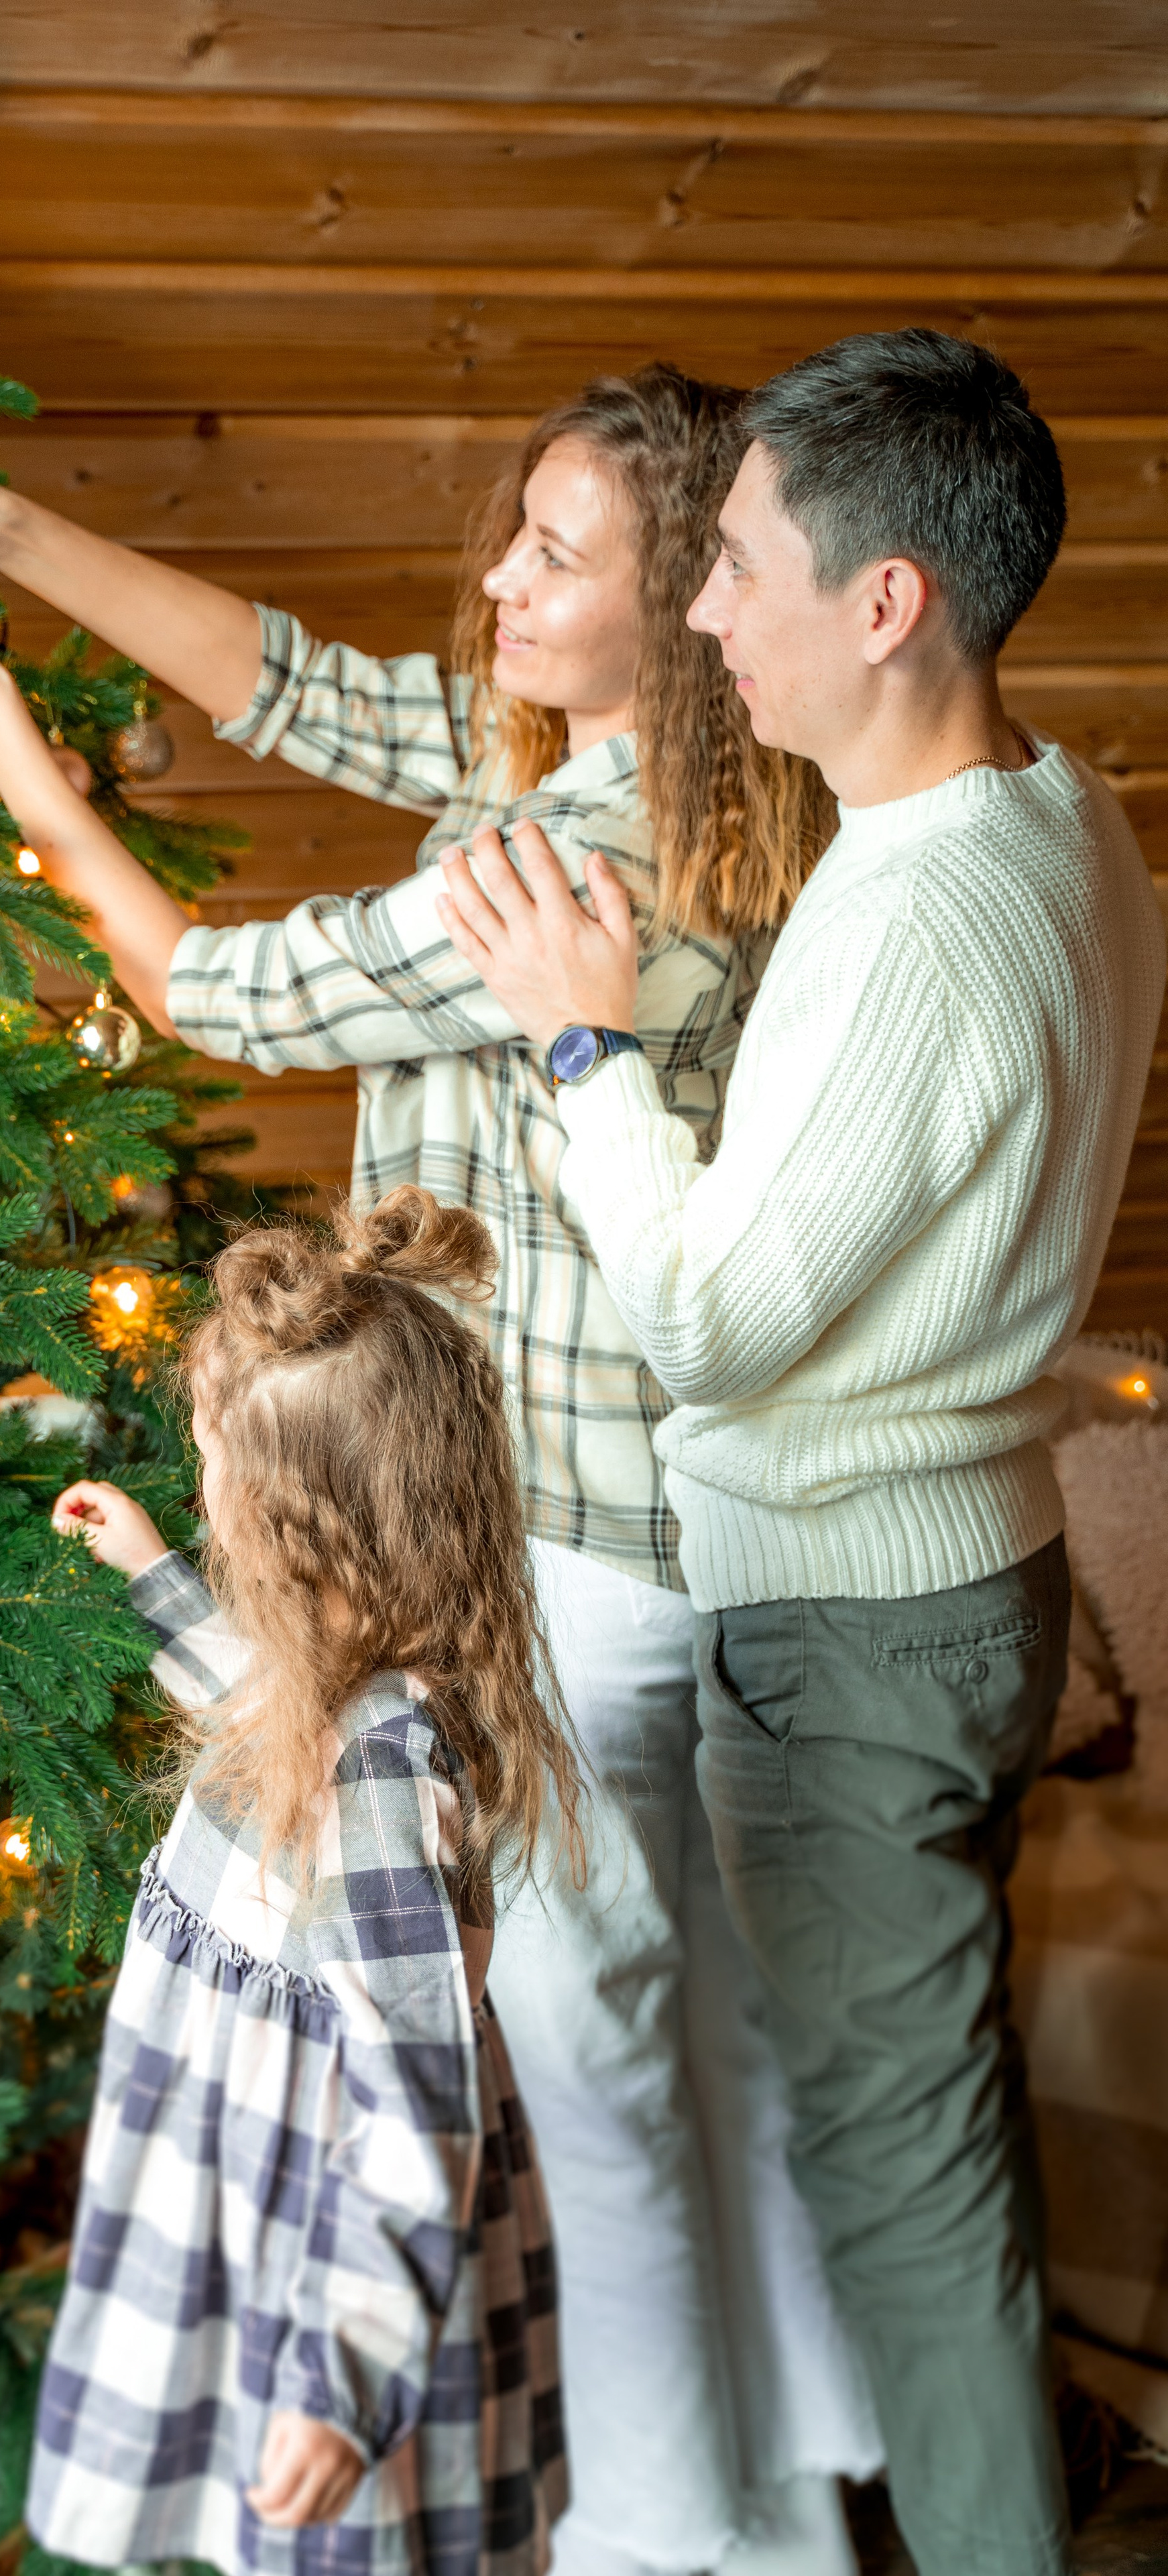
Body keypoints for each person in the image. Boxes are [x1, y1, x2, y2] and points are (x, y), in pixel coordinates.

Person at [0, 372, 882, 2576]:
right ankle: (810, 2493)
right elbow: (308, 687)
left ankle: (681, 2544)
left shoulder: (557, 857)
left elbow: (206, 980)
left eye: (552, 556)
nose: (496, 581)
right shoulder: (666, 769)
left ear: (677, 603)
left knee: (583, 2082)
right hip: (667, 1529)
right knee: (695, 2038)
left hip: (581, 1555)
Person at [430, 327, 1168, 2576]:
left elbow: (719, 1320)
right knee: (919, 2157)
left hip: (852, 1633)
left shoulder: (918, 914)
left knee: (919, 2218)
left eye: (735, 566)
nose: (702, 615)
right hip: (957, 1581)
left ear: (886, 605)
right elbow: (876, 1165)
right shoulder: (1051, 815)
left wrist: (577, 1049)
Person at [28, 1185, 579, 2575]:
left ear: (290, 1529)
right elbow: (261, 1708)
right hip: (249, 2201)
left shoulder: (389, 1776)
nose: (198, 1484)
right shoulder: (334, 1676)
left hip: (330, 2246)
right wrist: (155, 1573)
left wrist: (342, 2383)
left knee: (348, 2540)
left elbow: (411, 2110)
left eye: (208, 1465)